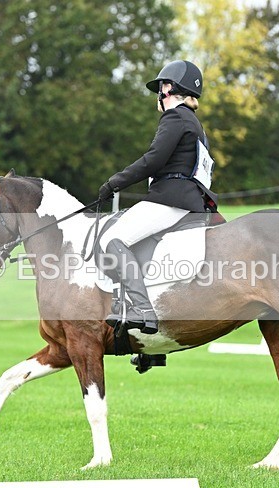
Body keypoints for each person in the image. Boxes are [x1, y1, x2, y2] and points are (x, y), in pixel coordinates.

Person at [98, 59, 213, 335]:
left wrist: (115, 182)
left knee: (111, 239)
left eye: (158, 89)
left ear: (167, 88)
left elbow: (153, 161)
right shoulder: (195, 124)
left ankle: (142, 309)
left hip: (171, 199)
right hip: (189, 199)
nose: (156, 97)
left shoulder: (175, 117)